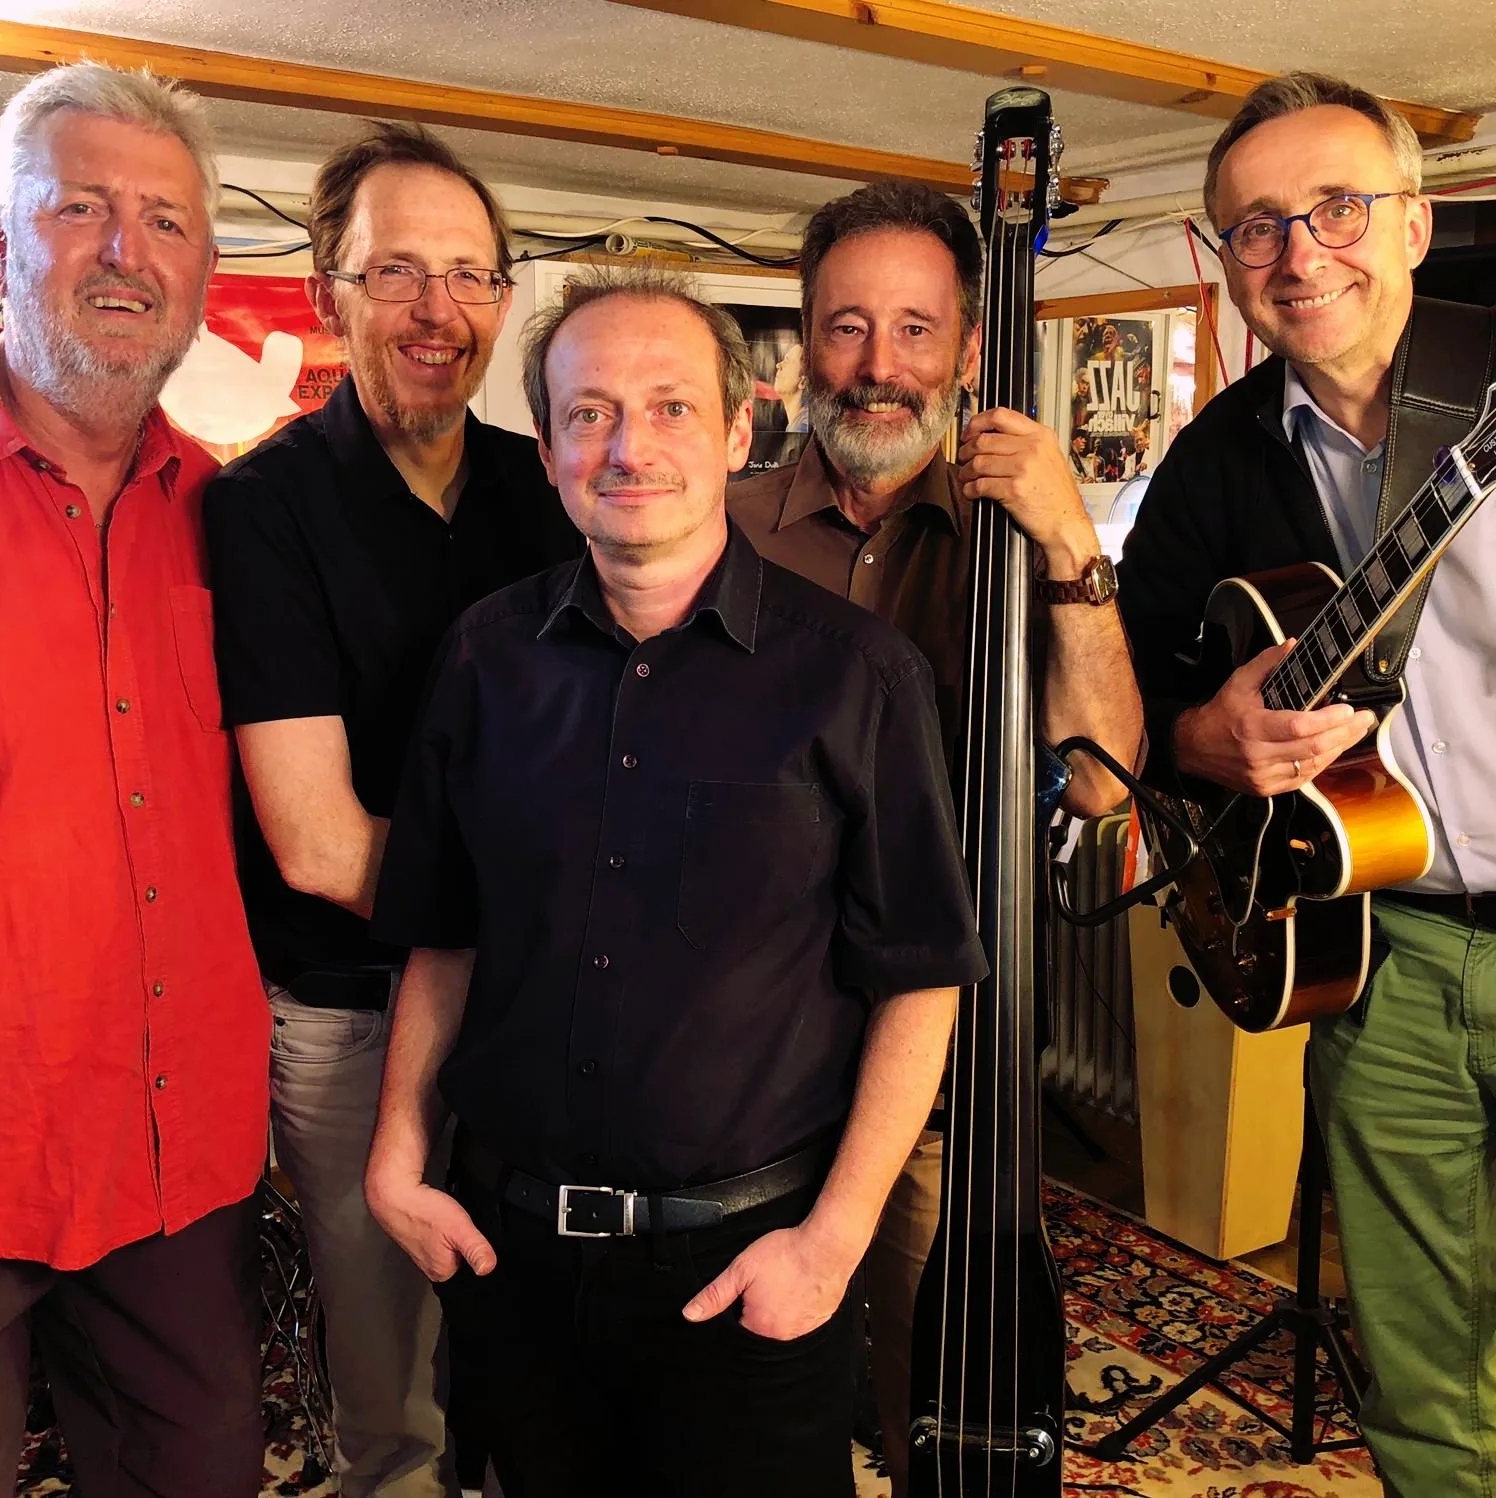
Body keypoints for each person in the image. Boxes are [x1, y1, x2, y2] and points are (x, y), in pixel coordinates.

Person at [362, 266, 988, 1497]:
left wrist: (833, 1242)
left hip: (743, 1270)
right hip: (515, 1262)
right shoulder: (486, 655)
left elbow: (920, 979)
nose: (627, 445)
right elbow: (445, 935)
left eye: (669, 407)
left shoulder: (858, 677)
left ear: (740, 429)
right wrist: (395, 1155)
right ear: (545, 451)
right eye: (588, 413)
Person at [727, 179, 1144, 1496]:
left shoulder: (1019, 542)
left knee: (942, 1400)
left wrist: (1070, 540)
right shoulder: (717, 526)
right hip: (738, 1069)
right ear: (805, 340)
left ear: (969, 350)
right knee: (740, 1405)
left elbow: (1104, 783)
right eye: (847, 326)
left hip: (937, 1074)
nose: (879, 364)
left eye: (916, 328)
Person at [1118, 73, 1495, 1498]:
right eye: (1257, 227)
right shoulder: (1214, 461)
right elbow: (1133, 719)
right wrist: (1214, 738)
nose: (1300, 252)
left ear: (1414, 222)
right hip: (1383, 956)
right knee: (1418, 1364)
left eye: (1337, 208)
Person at [0, 64, 268, 1498]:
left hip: (176, 1156)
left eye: (166, 220)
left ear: (204, 270)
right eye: (83, 210)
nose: (128, 250)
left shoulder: (238, 522)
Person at [203, 123, 581, 1496]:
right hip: (359, 1017)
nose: (441, 312)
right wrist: (562, 915)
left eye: (475, 276)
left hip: (540, 1006)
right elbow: (315, 840)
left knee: (534, 1351)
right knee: (396, 1395)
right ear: (328, 291)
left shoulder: (549, 493)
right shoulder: (263, 511)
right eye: (400, 272)